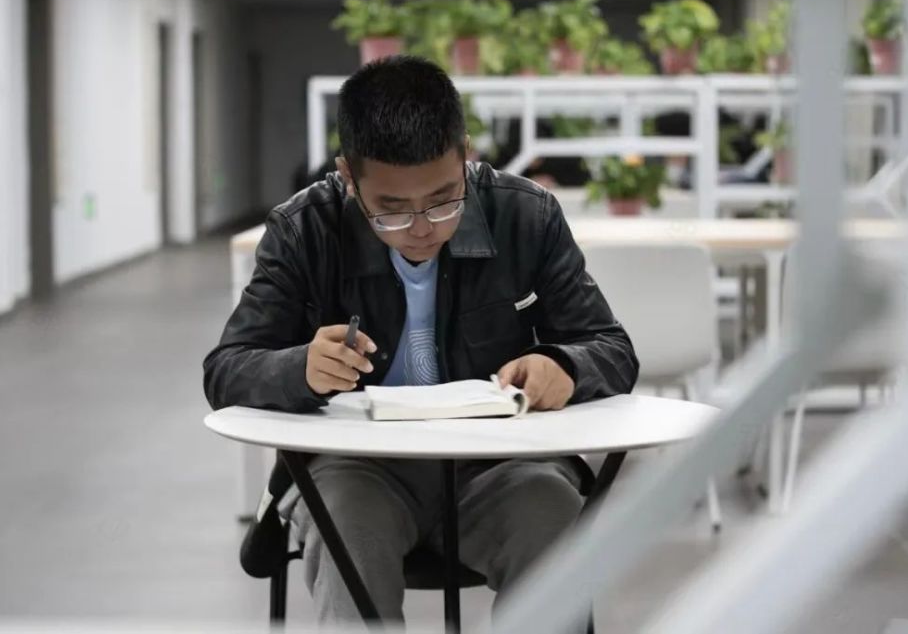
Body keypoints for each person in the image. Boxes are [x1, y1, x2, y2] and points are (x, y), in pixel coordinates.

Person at [203, 55, 639, 624]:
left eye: (443, 199)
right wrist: (300, 369)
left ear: (466, 156)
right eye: (392, 210)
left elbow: (610, 346)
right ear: (347, 176)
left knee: (551, 515)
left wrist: (564, 365)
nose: (422, 228)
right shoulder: (304, 229)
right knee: (345, 527)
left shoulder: (524, 215)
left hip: (499, 463)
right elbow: (227, 369)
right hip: (358, 465)